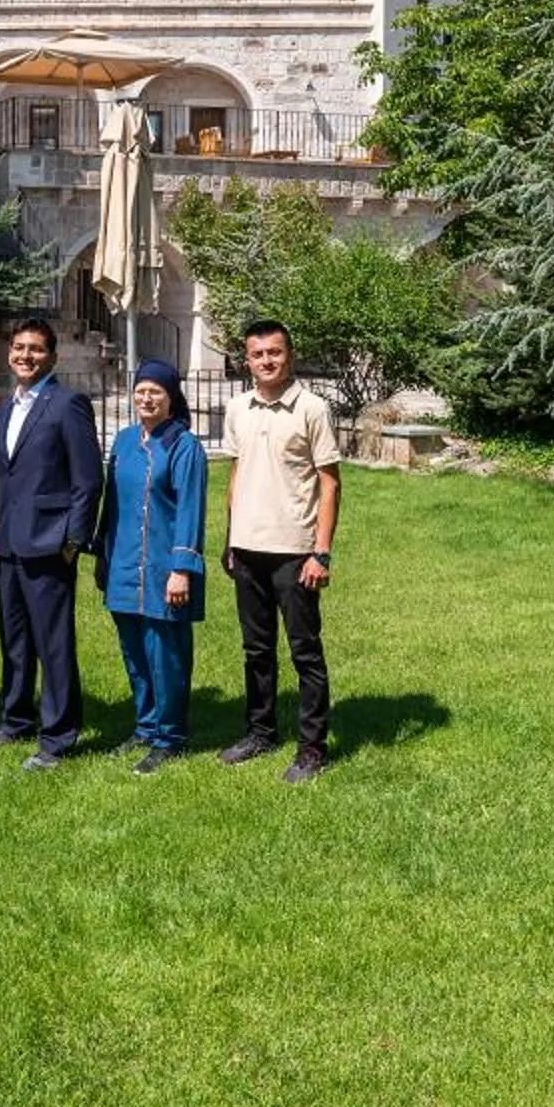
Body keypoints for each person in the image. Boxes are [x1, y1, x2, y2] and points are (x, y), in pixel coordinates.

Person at [0, 315, 102, 769]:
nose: (25, 356)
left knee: (53, 644)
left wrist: (74, 540)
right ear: (10, 353)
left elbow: (88, 479)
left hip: (49, 545)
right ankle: (15, 720)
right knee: (14, 641)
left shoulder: (68, 405)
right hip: (8, 545)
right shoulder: (7, 407)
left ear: (52, 357)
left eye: (36, 349)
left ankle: (59, 737)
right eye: (19, 348)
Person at [221, 318, 343, 784]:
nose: (266, 361)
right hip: (247, 549)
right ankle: (260, 731)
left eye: (274, 352)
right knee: (256, 650)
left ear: (289, 355)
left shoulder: (312, 408)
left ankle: (312, 747)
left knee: (304, 652)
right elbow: (236, 476)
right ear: (246, 359)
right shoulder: (237, 409)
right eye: (258, 354)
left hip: (295, 551)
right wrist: (230, 541)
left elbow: (330, 484)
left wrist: (321, 552)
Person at [97, 358, 207, 775]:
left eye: (155, 392)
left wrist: (182, 568)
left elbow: (190, 510)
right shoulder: (123, 442)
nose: (146, 398)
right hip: (124, 562)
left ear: (170, 397)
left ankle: (170, 736)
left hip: (164, 566)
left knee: (166, 654)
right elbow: (112, 504)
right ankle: (144, 727)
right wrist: (103, 557)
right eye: (141, 390)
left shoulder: (184, 446)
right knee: (133, 651)